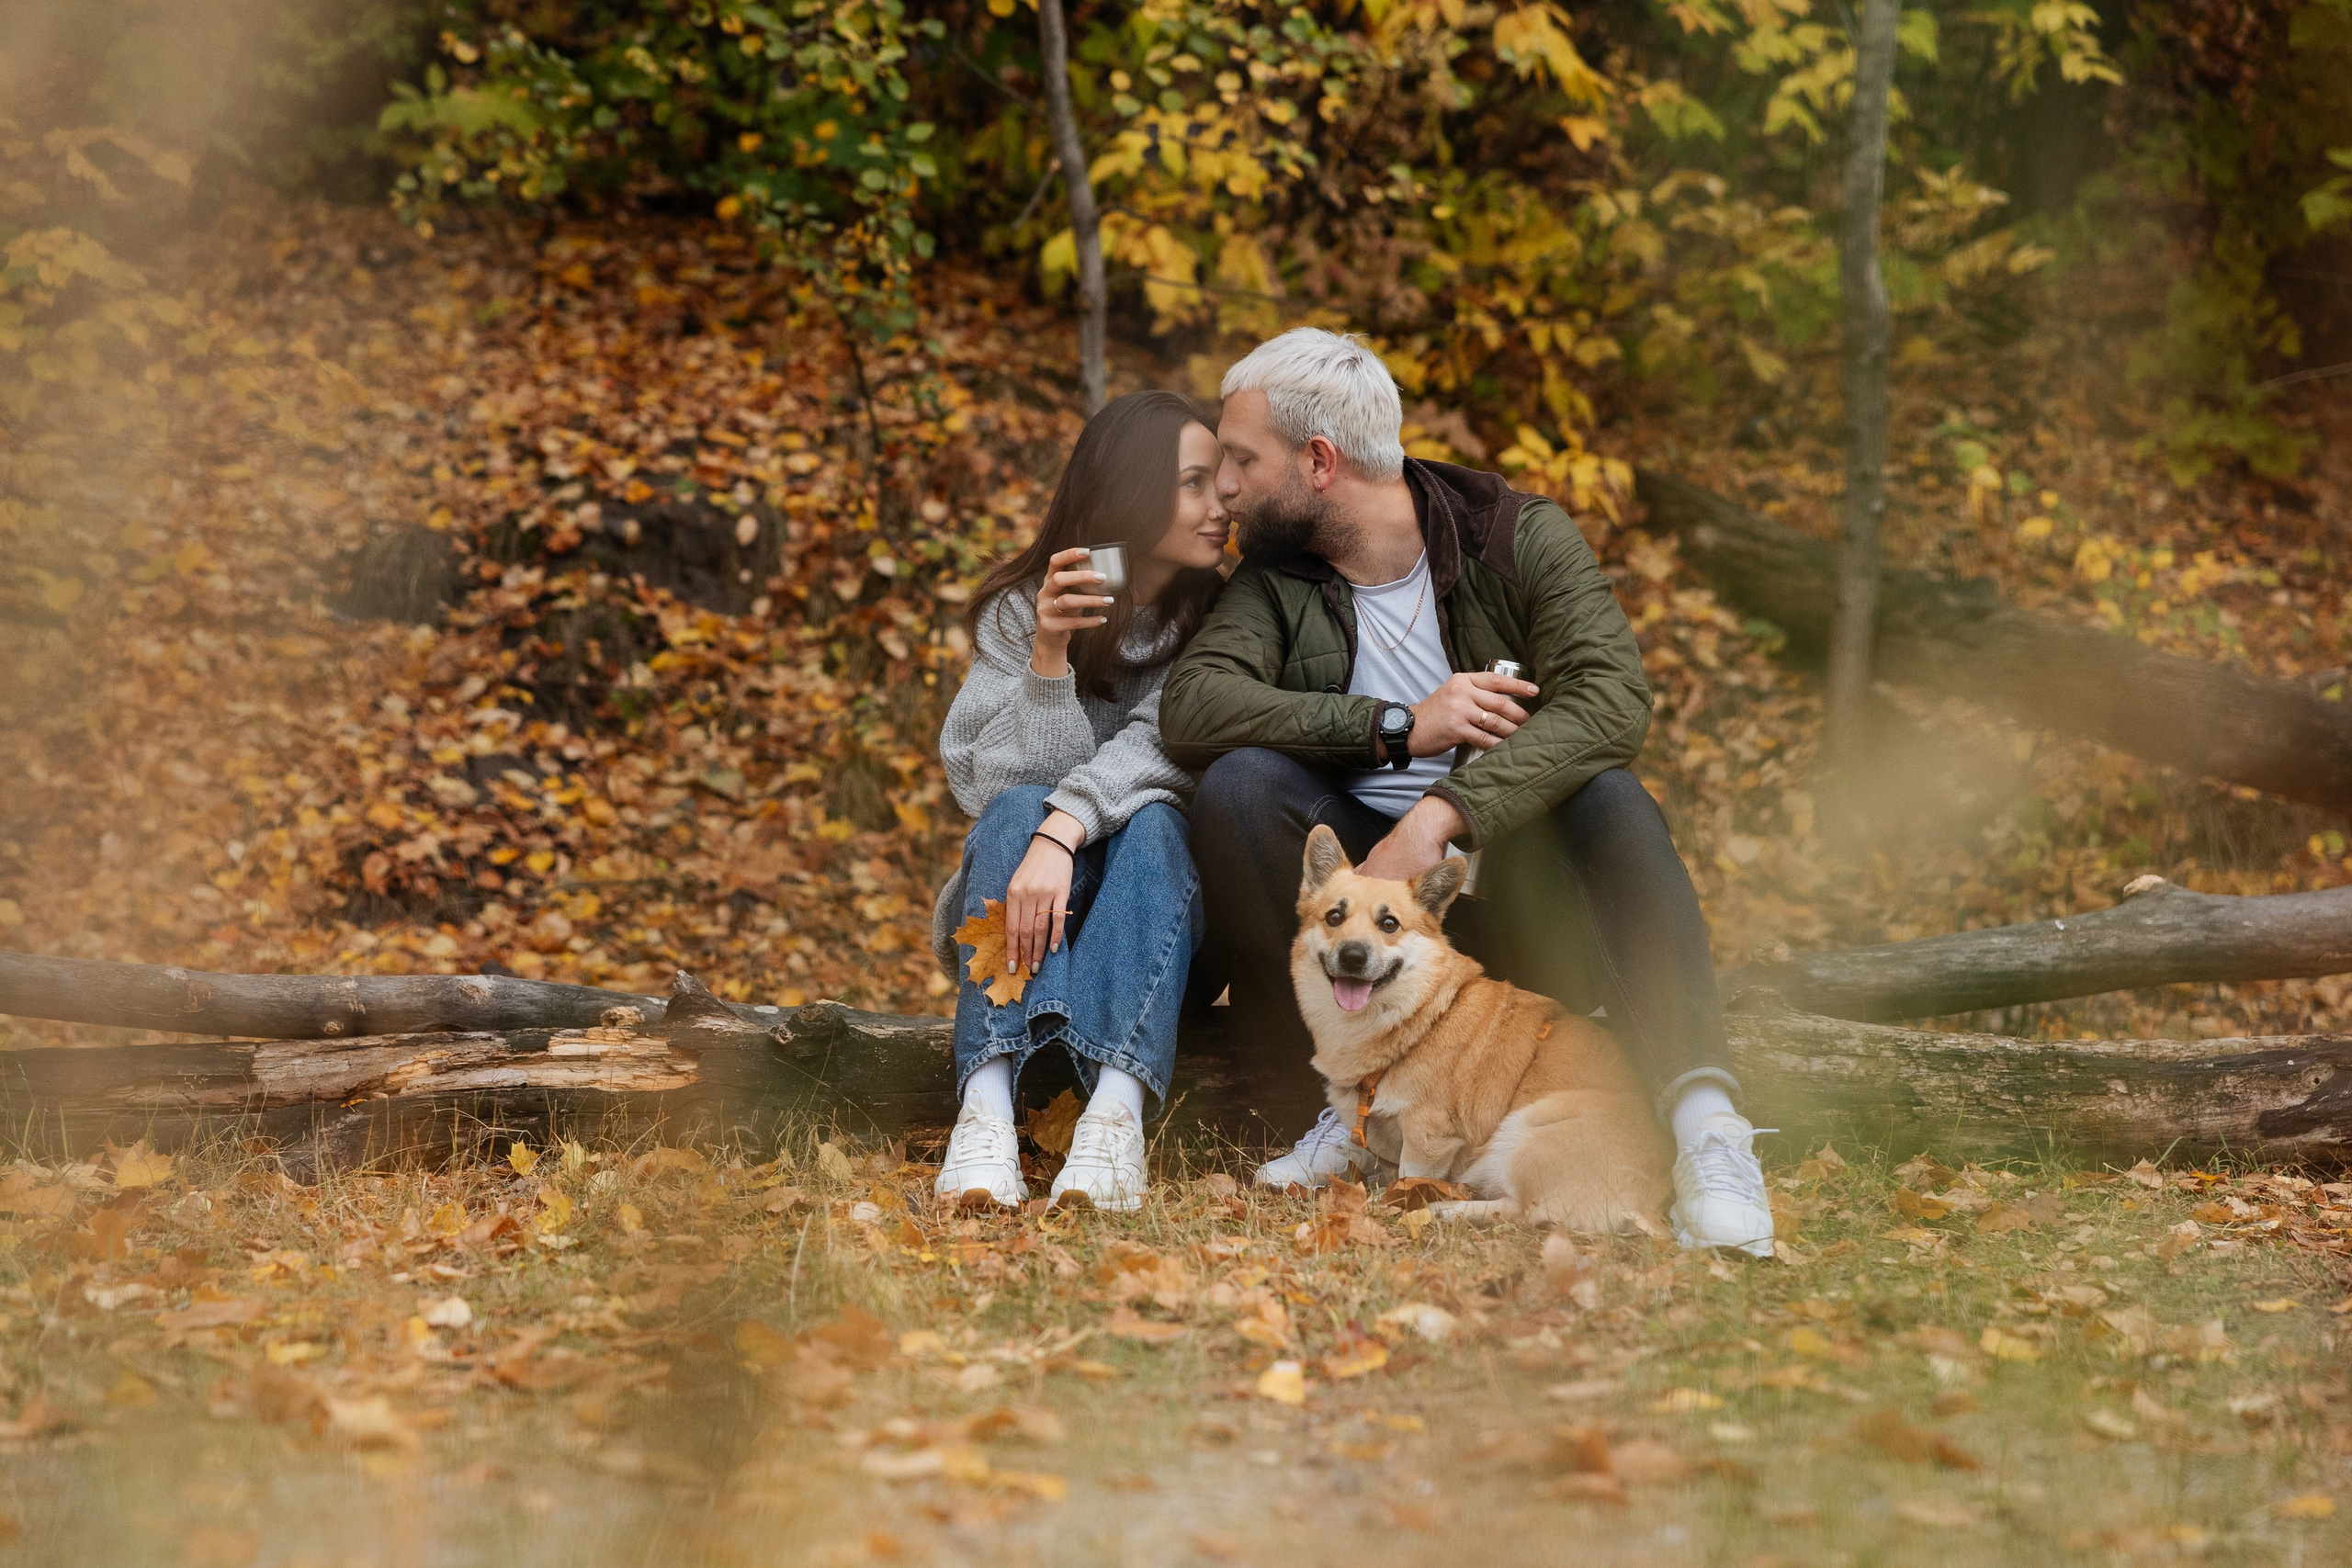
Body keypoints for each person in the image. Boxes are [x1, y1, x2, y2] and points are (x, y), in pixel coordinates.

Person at [1160, 328, 1775, 1257]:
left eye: (1242, 458)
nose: (1228, 484)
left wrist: (1440, 820)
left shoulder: (1513, 535)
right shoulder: (1274, 578)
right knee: (1239, 789)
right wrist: (1397, 726)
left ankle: (1709, 1132)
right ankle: (1342, 1121)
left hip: (1509, 901)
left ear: (1318, 461)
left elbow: (1613, 699)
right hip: (1363, 921)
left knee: (1608, 795)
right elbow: (1194, 707)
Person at [931, 389, 1228, 1212]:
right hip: (1025, 917)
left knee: (1161, 818)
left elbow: (1168, 747)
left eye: (1219, 482)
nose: (1220, 505)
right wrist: (1049, 659)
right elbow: (981, 786)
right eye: (1195, 484)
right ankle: (984, 1107)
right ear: (1133, 494)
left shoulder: (1224, 621)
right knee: (1015, 807)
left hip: (1152, 921)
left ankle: (1114, 1117)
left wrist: (1065, 832)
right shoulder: (1023, 610)